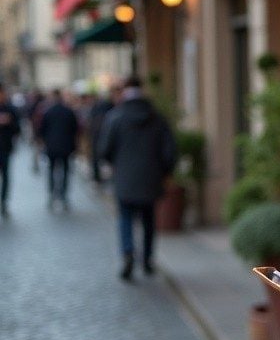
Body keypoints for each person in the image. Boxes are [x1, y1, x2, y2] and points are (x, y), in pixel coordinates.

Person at [98, 75, 177, 280]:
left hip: (124, 177)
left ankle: (128, 252)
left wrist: (115, 164)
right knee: (148, 219)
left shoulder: (115, 117)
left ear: (124, 91)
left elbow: (104, 148)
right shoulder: (157, 117)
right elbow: (170, 150)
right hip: (151, 178)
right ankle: (148, 259)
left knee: (125, 218)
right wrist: (165, 171)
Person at [38, 88, 79, 210]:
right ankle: (64, 195)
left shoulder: (47, 111)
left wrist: (44, 142)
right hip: (66, 146)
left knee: (51, 171)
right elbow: (75, 129)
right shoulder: (68, 111)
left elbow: (42, 130)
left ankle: (52, 195)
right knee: (65, 171)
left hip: (51, 146)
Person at [87, 85, 117, 183]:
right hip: (102, 133)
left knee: (96, 156)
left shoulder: (97, 106)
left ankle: (97, 176)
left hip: (96, 133)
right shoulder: (110, 106)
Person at [0, 84, 20, 218]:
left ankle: (4, 202)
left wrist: (9, 122)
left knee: (6, 177)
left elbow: (17, 129)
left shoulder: (10, 109)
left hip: (5, 148)